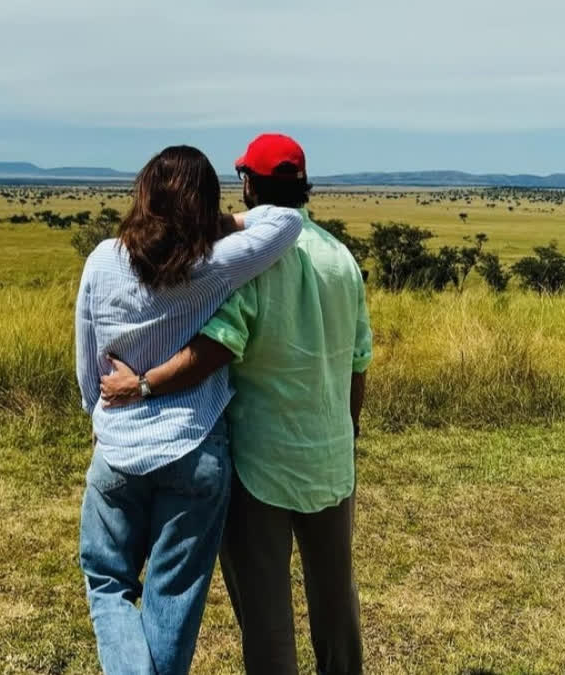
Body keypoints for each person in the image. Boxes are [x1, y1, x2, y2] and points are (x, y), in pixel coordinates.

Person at [100, 134, 373, 675]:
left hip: (259, 463)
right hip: (330, 454)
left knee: (267, 615)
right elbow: (358, 362)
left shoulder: (250, 262)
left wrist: (144, 385)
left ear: (248, 184)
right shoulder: (341, 258)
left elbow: (217, 347)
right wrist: (349, 429)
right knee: (335, 599)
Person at [75, 144, 303, 674]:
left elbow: (87, 361)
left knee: (107, 583)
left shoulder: (102, 259)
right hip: (194, 443)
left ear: (142, 195)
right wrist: (212, 222)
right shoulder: (213, 265)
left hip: (117, 448)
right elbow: (286, 222)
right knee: (172, 598)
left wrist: (100, 419)